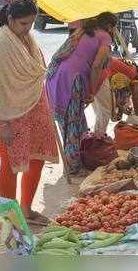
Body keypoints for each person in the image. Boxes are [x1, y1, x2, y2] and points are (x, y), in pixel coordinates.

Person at [0, 0, 59, 226]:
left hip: (34, 108)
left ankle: (25, 209)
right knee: (11, 164)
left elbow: (35, 74)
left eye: (31, 23)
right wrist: (3, 123)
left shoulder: (26, 37)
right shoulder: (0, 45)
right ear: (11, 19)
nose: (29, 28)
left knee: (37, 159)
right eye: (24, 23)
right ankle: (8, 216)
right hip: (9, 114)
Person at [46, 12, 118, 175]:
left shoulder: (85, 31)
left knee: (73, 121)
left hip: (57, 77)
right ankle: (73, 167)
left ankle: (73, 161)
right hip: (72, 80)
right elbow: (97, 65)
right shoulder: (105, 36)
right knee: (73, 122)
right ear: (109, 26)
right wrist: (91, 91)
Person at [93, 57, 138, 134]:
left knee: (100, 112)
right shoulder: (134, 75)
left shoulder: (123, 67)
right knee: (105, 112)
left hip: (93, 73)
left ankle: (97, 135)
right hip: (100, 74)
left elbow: (116, 95)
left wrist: (122, 108)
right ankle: (98, 137)